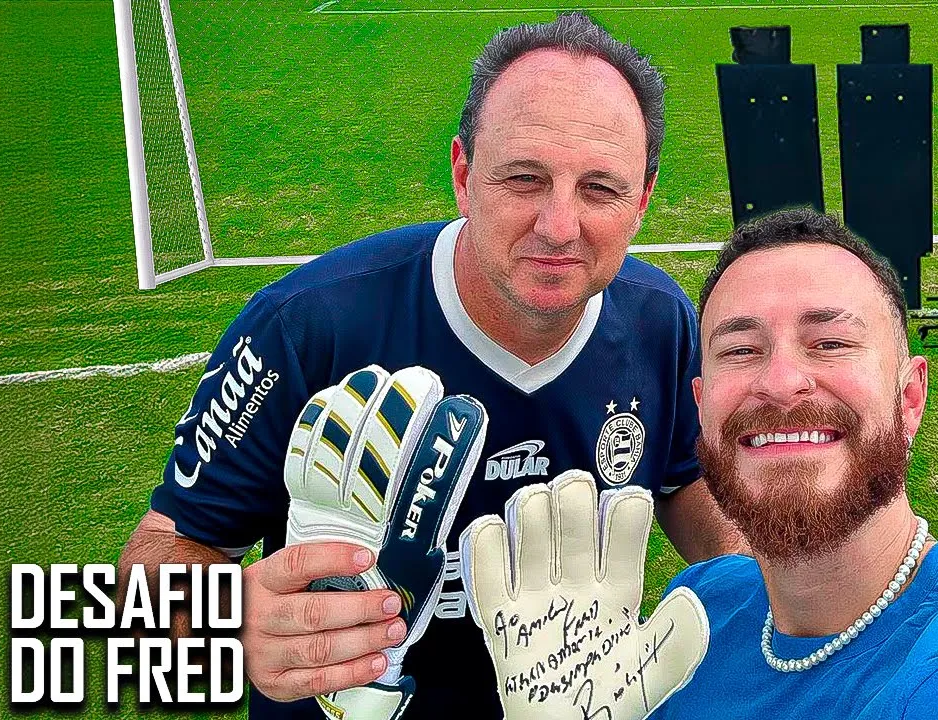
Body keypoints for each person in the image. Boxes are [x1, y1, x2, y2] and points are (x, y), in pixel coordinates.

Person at [118, 13, 742, 719]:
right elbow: (160, 559)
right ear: (463, 174)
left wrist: (759, 589)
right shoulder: (306, 327)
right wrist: (227, 622)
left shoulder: (660, 320)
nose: (559, 226)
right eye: (524, 179)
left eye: (600, 188)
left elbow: (689, 482)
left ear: (644, 200)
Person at [652, 208, 938, 718]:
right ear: (701, 406)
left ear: (910, 397)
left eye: (830, 343)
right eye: (740, 349)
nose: (780, 383)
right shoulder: (697, 609)